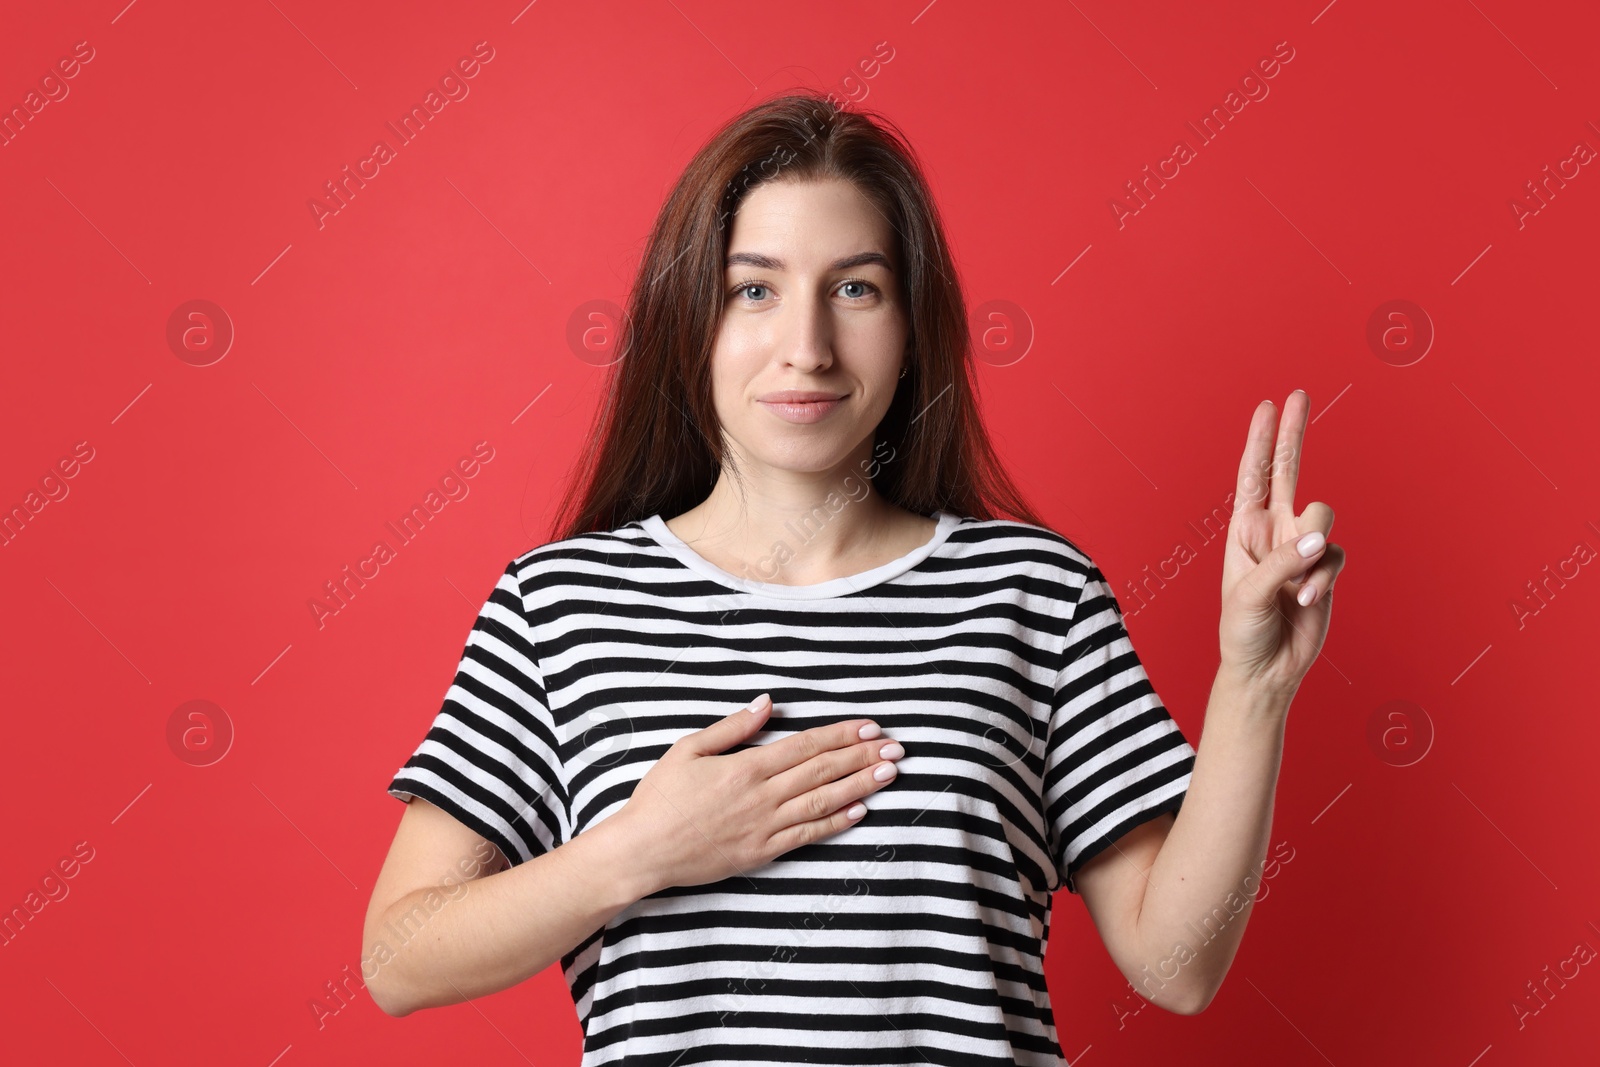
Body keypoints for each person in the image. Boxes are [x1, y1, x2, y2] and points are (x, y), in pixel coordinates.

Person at [363, 91, 1345, 1065]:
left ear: (914, 325)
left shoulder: (1035, 596)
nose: (807, 346)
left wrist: (1252, 686)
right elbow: (398, 957)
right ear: (688, 318)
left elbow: (1176, 963)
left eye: (855, 288)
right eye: (754, 288)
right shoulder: (558, 605)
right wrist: (640, 850)